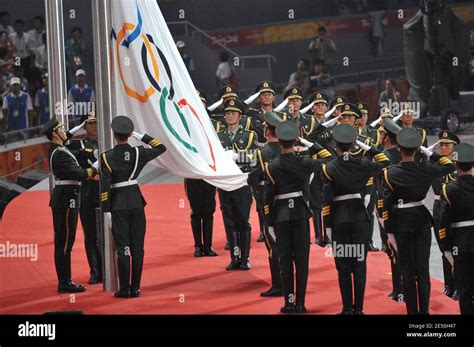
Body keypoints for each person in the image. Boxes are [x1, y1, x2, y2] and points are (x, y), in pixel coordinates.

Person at [382, 128, 455, 314]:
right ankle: (424, 312)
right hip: (422, 220)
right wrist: (428, 152)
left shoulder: (390, 173)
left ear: (399, 149)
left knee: (407, 269)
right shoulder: (426, 168)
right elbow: (449, 166)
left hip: (401, 222)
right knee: (423, 269)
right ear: (417, 150)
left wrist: (388, 230)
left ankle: (412, 312)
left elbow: (387, 204)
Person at [322, 122, 390, 315]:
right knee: (359, 264)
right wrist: (366, 146)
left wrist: (327, 227)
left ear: (336, 145)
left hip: (339, 220)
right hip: (360, 218)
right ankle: (359, 309)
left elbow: (326, 199)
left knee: (343, 265)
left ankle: (346, 308)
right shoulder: (362, 164)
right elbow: (384, 161)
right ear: (353, 145)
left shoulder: (329, 168)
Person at [265, 120, 332, 313]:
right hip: (301, 214)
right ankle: (301, 303)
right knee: (302, 261)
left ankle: (289, 302)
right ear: (295, 141)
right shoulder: (304, 162)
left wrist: (269, 223)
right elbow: (328, 159)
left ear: (279, 141)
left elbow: (267, 198)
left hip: (281, 216)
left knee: (285, 260)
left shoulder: (272, 166)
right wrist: (310, 143)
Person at [100, 115, 167, 298]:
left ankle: (124, 288)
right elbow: (161, 147)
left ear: (114, 134)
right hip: (136, 202)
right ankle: (136, 288)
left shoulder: (106, 157)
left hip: (118, 204)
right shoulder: (139, 153)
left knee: (123, 248)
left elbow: (105, 185)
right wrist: (140, 135)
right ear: (129, 134)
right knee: (138, 247)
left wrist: (106, 210)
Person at [42, 116, 98, 293]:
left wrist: (81, 128)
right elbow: (80, 174)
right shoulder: (59, 153)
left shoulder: (59, 149)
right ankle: (64, 282)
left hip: (67, 197)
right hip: (66, 199)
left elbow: (70, 144)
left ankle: (65, 280)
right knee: (65, 242)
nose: (64, 131)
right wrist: (97, 166)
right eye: (61, 128)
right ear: (54, 133)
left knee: (66, 241)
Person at [217, 99, 258, 270]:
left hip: (241, 181)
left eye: (233, 113)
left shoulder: (249, 135)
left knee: (243, 220)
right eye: (227, 113)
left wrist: (237, 157)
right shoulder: (218, 137)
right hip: (225, 182)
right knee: (229, 220)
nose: (229, 116)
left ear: (240, 116)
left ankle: (245, 258)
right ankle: (235, 257)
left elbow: (255, 158)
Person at [248, 111, 284, 296]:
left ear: (266, 131)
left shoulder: (262, 153)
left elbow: (253, 178)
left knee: (273, 244)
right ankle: (290, 284)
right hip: (289, 204)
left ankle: (278, 285)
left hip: (268, 203)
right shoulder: (289, 150)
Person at [67, 112, 103, 284]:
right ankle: (95, 271)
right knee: (90, 235)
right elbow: (62, 142)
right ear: (84, 126)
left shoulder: (108, 141)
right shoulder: (77, 144)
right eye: (89, 123)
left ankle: (110, 268)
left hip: (105, 192)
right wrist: (77, 129)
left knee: (109, 232)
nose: (94, 126)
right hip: (87, 194)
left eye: (96, 122)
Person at [439, 143, 474, 314]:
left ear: (456, 164)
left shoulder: (449, 189)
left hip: (460, 244)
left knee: (464, 289)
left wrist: (446, 248)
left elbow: (444, 222)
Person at [184, 89, 218, 258]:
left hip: (209, 171)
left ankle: (209, 246)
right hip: (193, 173)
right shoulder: (184, 126)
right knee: (196, 210)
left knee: (209, 210)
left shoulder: (214, 126)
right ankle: (198, 246)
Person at [376, 118, 403, 302]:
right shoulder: (405, 154)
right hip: (408, 208)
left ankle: (398, 289)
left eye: (381, 133)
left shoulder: (382, 157)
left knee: (394, 249)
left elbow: (381, 188)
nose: (379, 135)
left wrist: (380, 212)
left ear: (386, 137)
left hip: (390, 210)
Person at [431, 130, 460, 300]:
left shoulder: (459, 165)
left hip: (454, 208)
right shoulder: (435, 165)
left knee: (455, 249)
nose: (443, 147)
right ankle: (448, 285)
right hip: (438, 207)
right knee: (444, 248)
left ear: (454, 147)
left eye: (447, 144)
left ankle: (458, 285)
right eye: (441, 144)